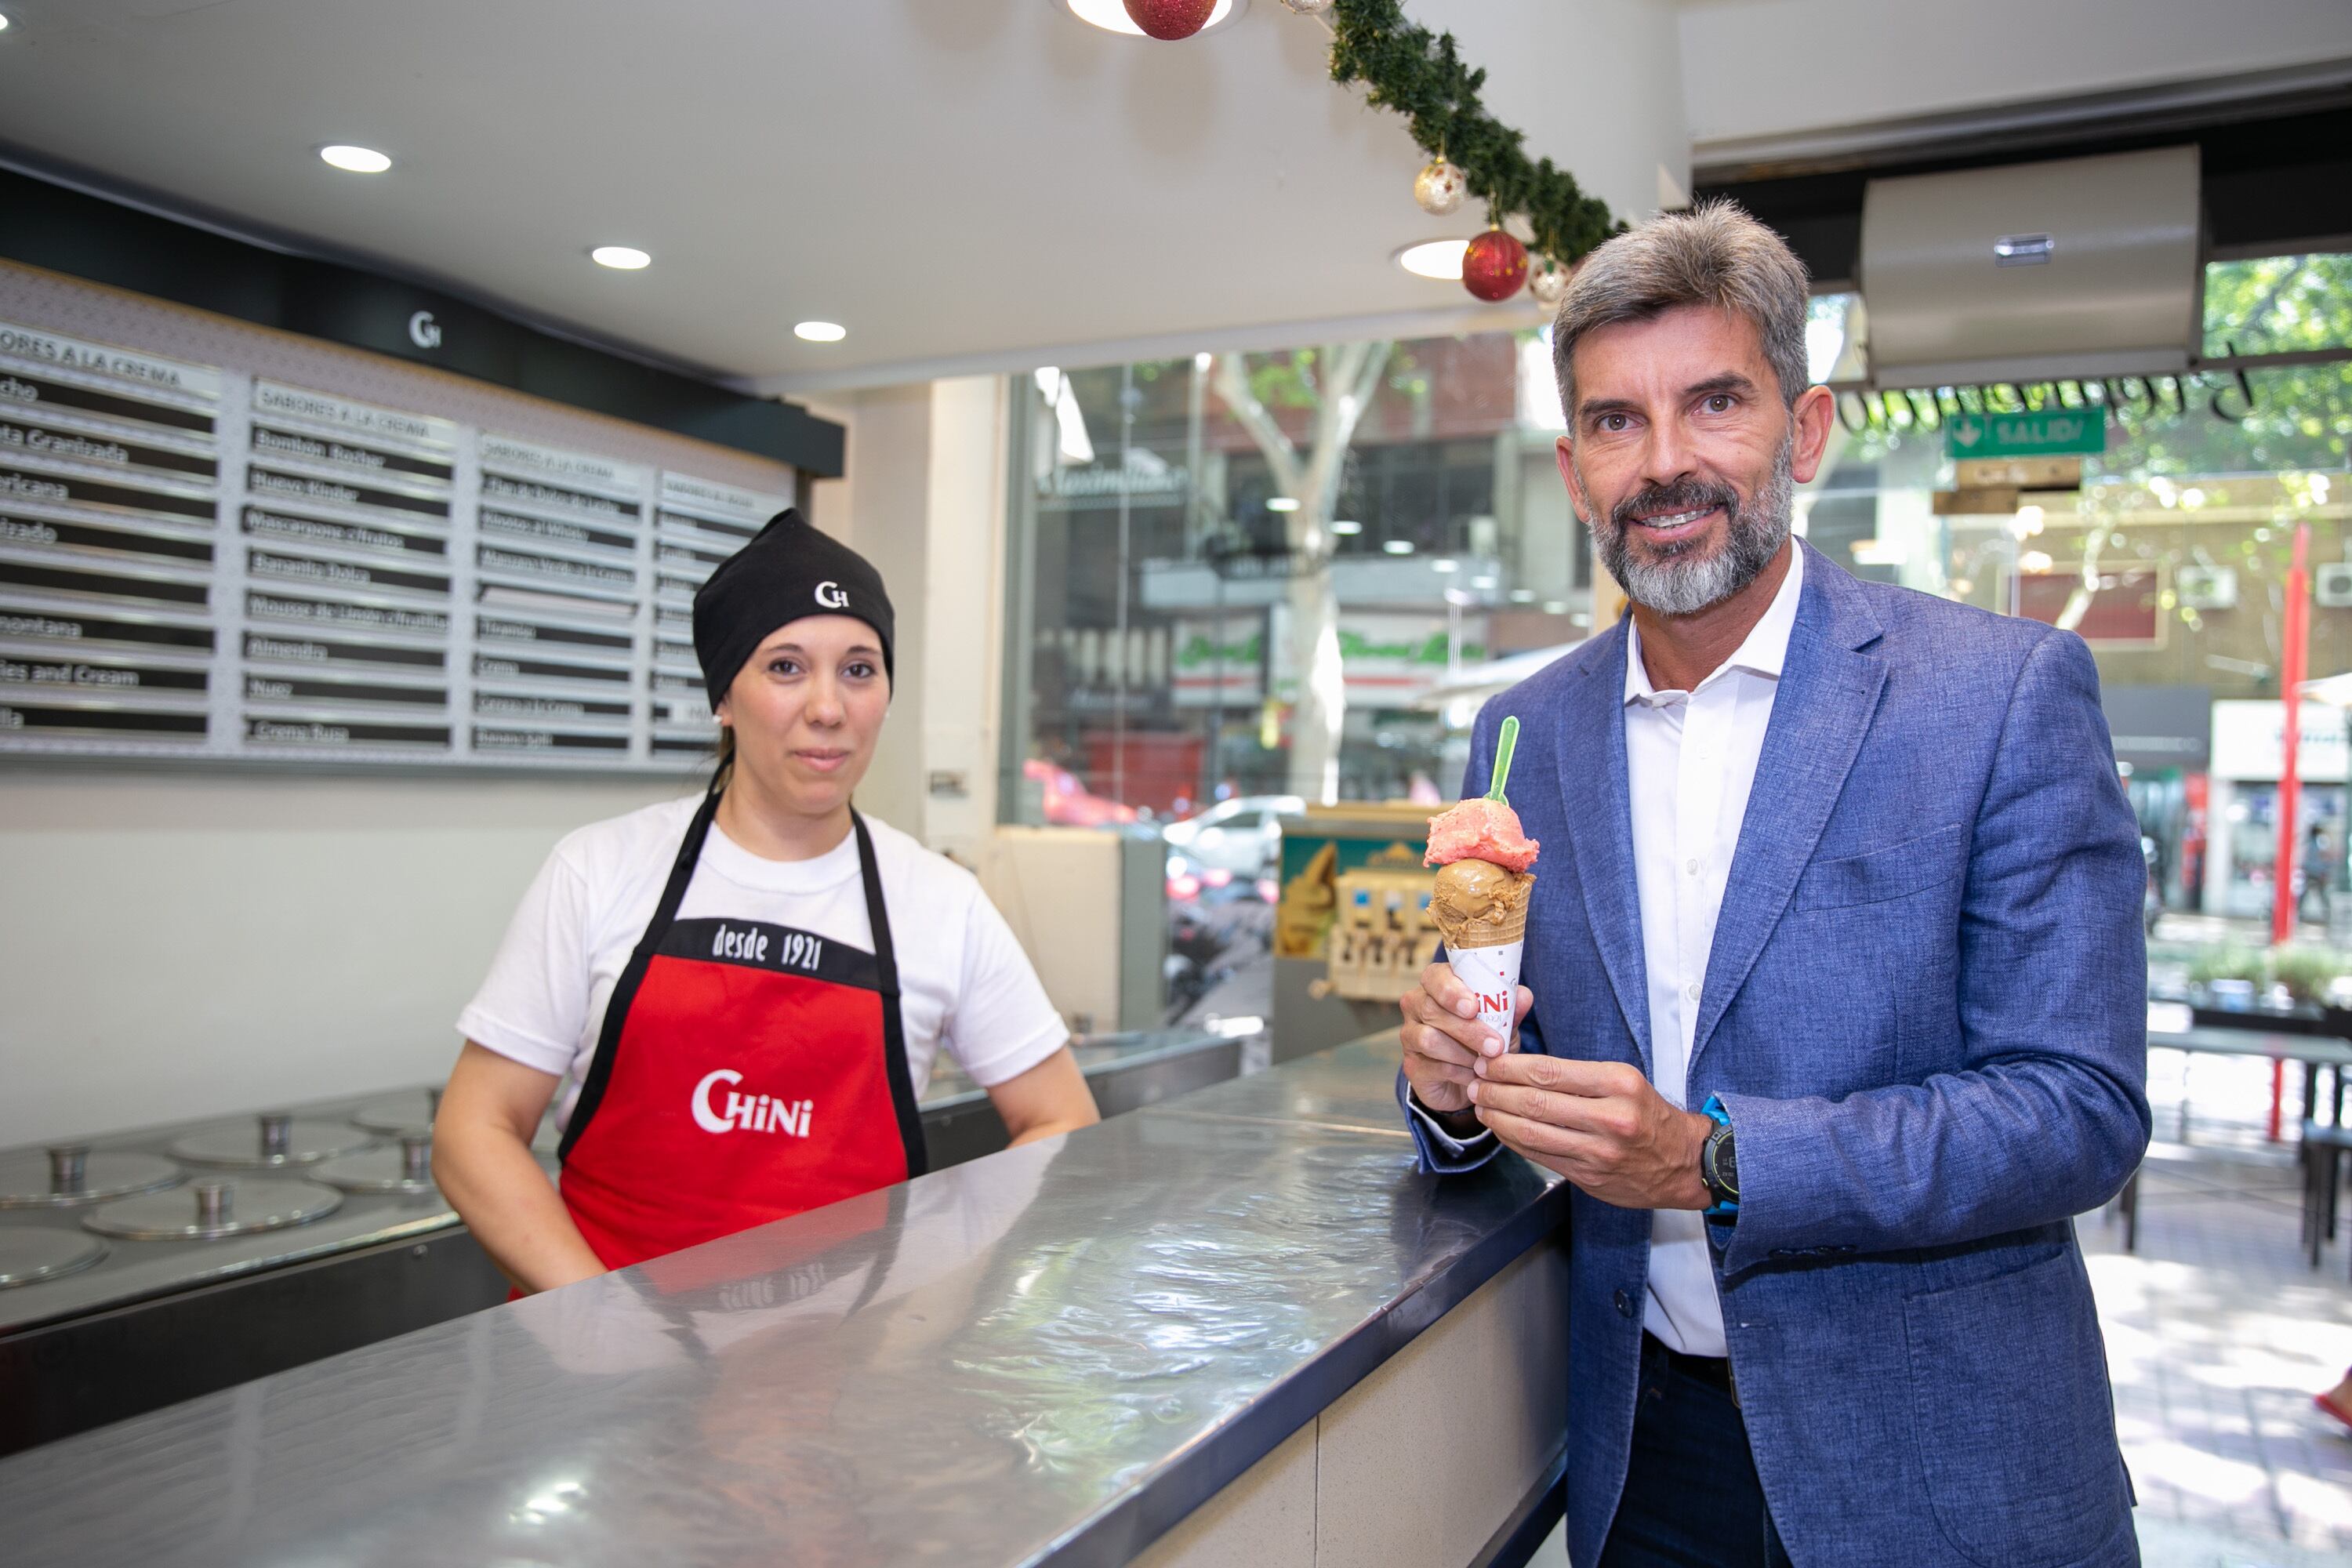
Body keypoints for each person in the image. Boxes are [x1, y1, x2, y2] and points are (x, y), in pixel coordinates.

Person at [1396, 204, 2150, 1566]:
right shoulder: (1528, 733)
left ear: (1804, 432)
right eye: (1618, 422)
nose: (1665, 462)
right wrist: (1453, 1088)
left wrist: (1713, 1161)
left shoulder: (2000, 696)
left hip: (1942, 1468)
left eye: (1715, 403)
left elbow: (2078, 1111)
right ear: (1574, 471)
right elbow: (1543, 1059)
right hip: (1645, 1463)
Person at [437, 510, 1099, 1290]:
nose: (828, 706)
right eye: (786, 666)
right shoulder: (599, 870)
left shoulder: (940, 902)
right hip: (605, 1381)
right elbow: (472, 1131)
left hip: (842, 1378)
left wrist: (939, 1271)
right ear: (725, 695)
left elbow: (1061, 1122)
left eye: (859, 668)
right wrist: (595, 1322)